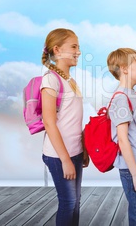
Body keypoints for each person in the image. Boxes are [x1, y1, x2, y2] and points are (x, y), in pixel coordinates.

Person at [41, 28, 89, 226]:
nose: (78, 51)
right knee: (68, 202)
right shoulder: (50, 80)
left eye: (78, 47)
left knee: (75, 203)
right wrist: (65, 160)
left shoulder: (70, 80)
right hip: (59, 155)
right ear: (57, 50)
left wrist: (83, 148)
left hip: (75, 152)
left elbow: (73, 119)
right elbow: (49, 122)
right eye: (74, 47)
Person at [107, 48, 136, 226]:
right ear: (124, 68)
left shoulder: (135, 96)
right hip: (131, 168)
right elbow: (123, 139)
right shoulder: (121, 98)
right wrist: (135, 174)